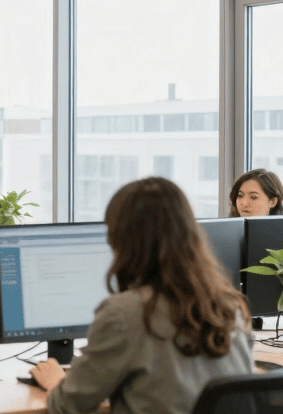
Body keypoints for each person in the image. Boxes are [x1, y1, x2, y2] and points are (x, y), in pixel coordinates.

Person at [31, 177, 253, 414]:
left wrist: (55, 381)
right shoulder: (231, 306)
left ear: (121, 240)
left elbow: (68, 406)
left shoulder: (124, 314)